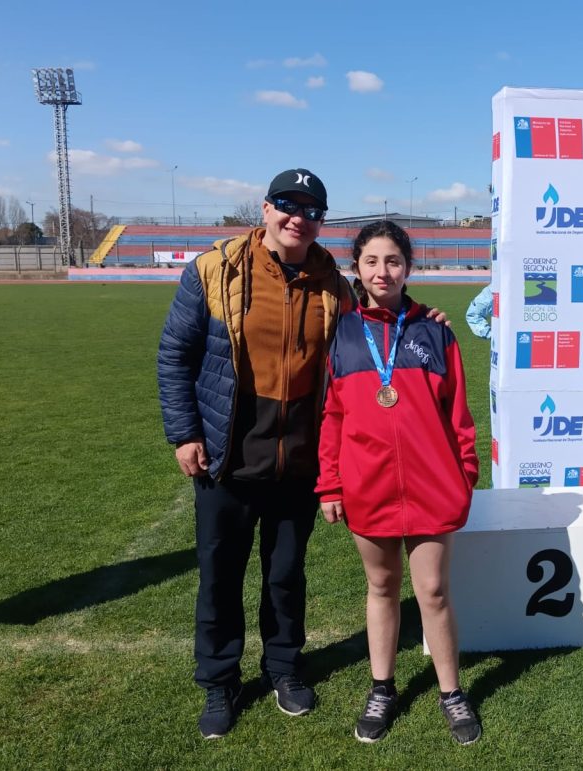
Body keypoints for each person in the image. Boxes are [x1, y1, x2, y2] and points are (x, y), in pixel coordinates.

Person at [157, 168, 352, 739]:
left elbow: (378, 318)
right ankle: (220, 679)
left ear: (320, 220)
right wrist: (185, 433)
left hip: (298, 456)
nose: (299, 218)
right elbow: (175, 355)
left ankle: (285, 668)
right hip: (227, 453)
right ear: (265, 209)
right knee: (220, 574)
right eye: (288, 205)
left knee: (286, 575)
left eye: (311, 210)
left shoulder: (331, 280)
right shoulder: (213, 269)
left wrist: (427, 317)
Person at [316, 221, 482, 745]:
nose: (382, 271)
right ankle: (382, 687)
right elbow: (332, 418)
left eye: (392, 261)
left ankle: (452, 694)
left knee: (432, 590)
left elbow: (459, 414)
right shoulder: (342, 334)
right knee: (382, 586)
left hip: (433, 488)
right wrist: (330, 485)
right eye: (371, 261)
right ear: (357, 269)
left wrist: (465, 476)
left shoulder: (436, 332)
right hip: (369, 487)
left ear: (407, 267)